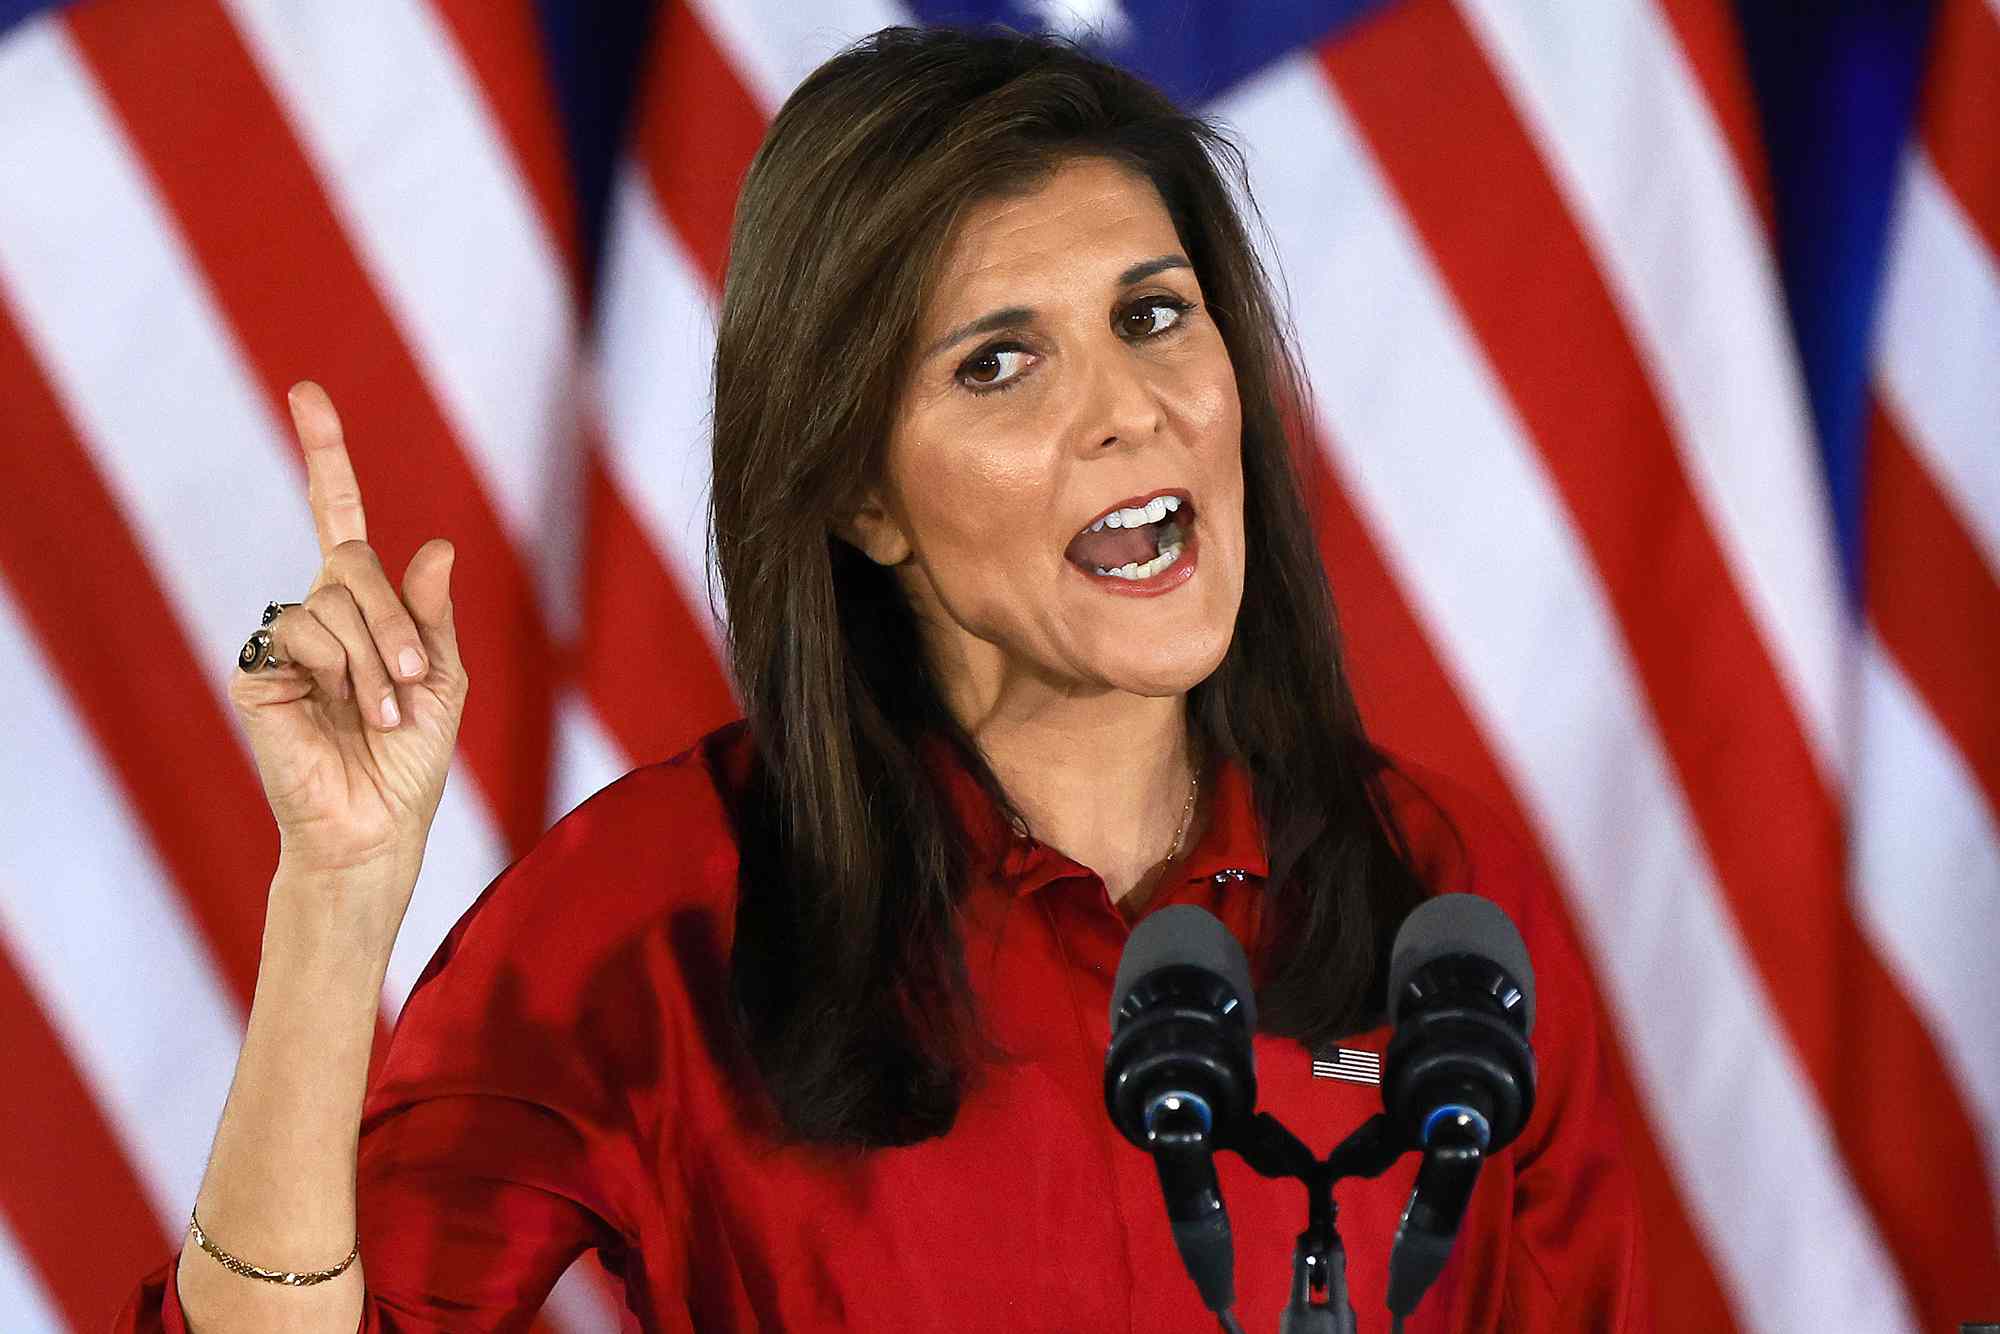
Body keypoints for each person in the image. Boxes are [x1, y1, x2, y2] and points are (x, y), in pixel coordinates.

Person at [118, 24, 1646, 1334]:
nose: (1131, 411)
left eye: (1153, 313)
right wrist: (333, 898)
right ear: (860, 494)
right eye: (999, 360)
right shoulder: (660, 914)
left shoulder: (1441, 897)